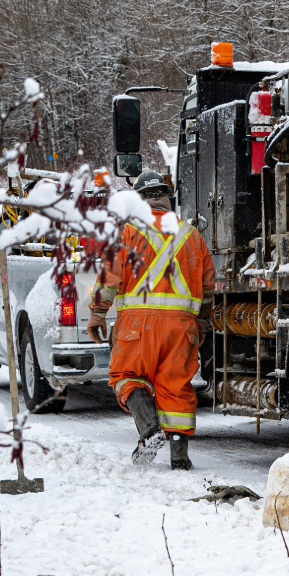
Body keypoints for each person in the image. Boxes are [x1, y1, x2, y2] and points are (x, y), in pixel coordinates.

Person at [88, 171, 215, 470]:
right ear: (166, 198)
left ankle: (149, 430)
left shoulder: (127, 232)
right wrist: (203, 322)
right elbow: (208, 285)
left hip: (137, 325)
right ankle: (180, 457)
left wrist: (97, 313)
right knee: (176, 385)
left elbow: (109, 279)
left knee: (126, 377)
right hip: (181, 327)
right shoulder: (192, 235)